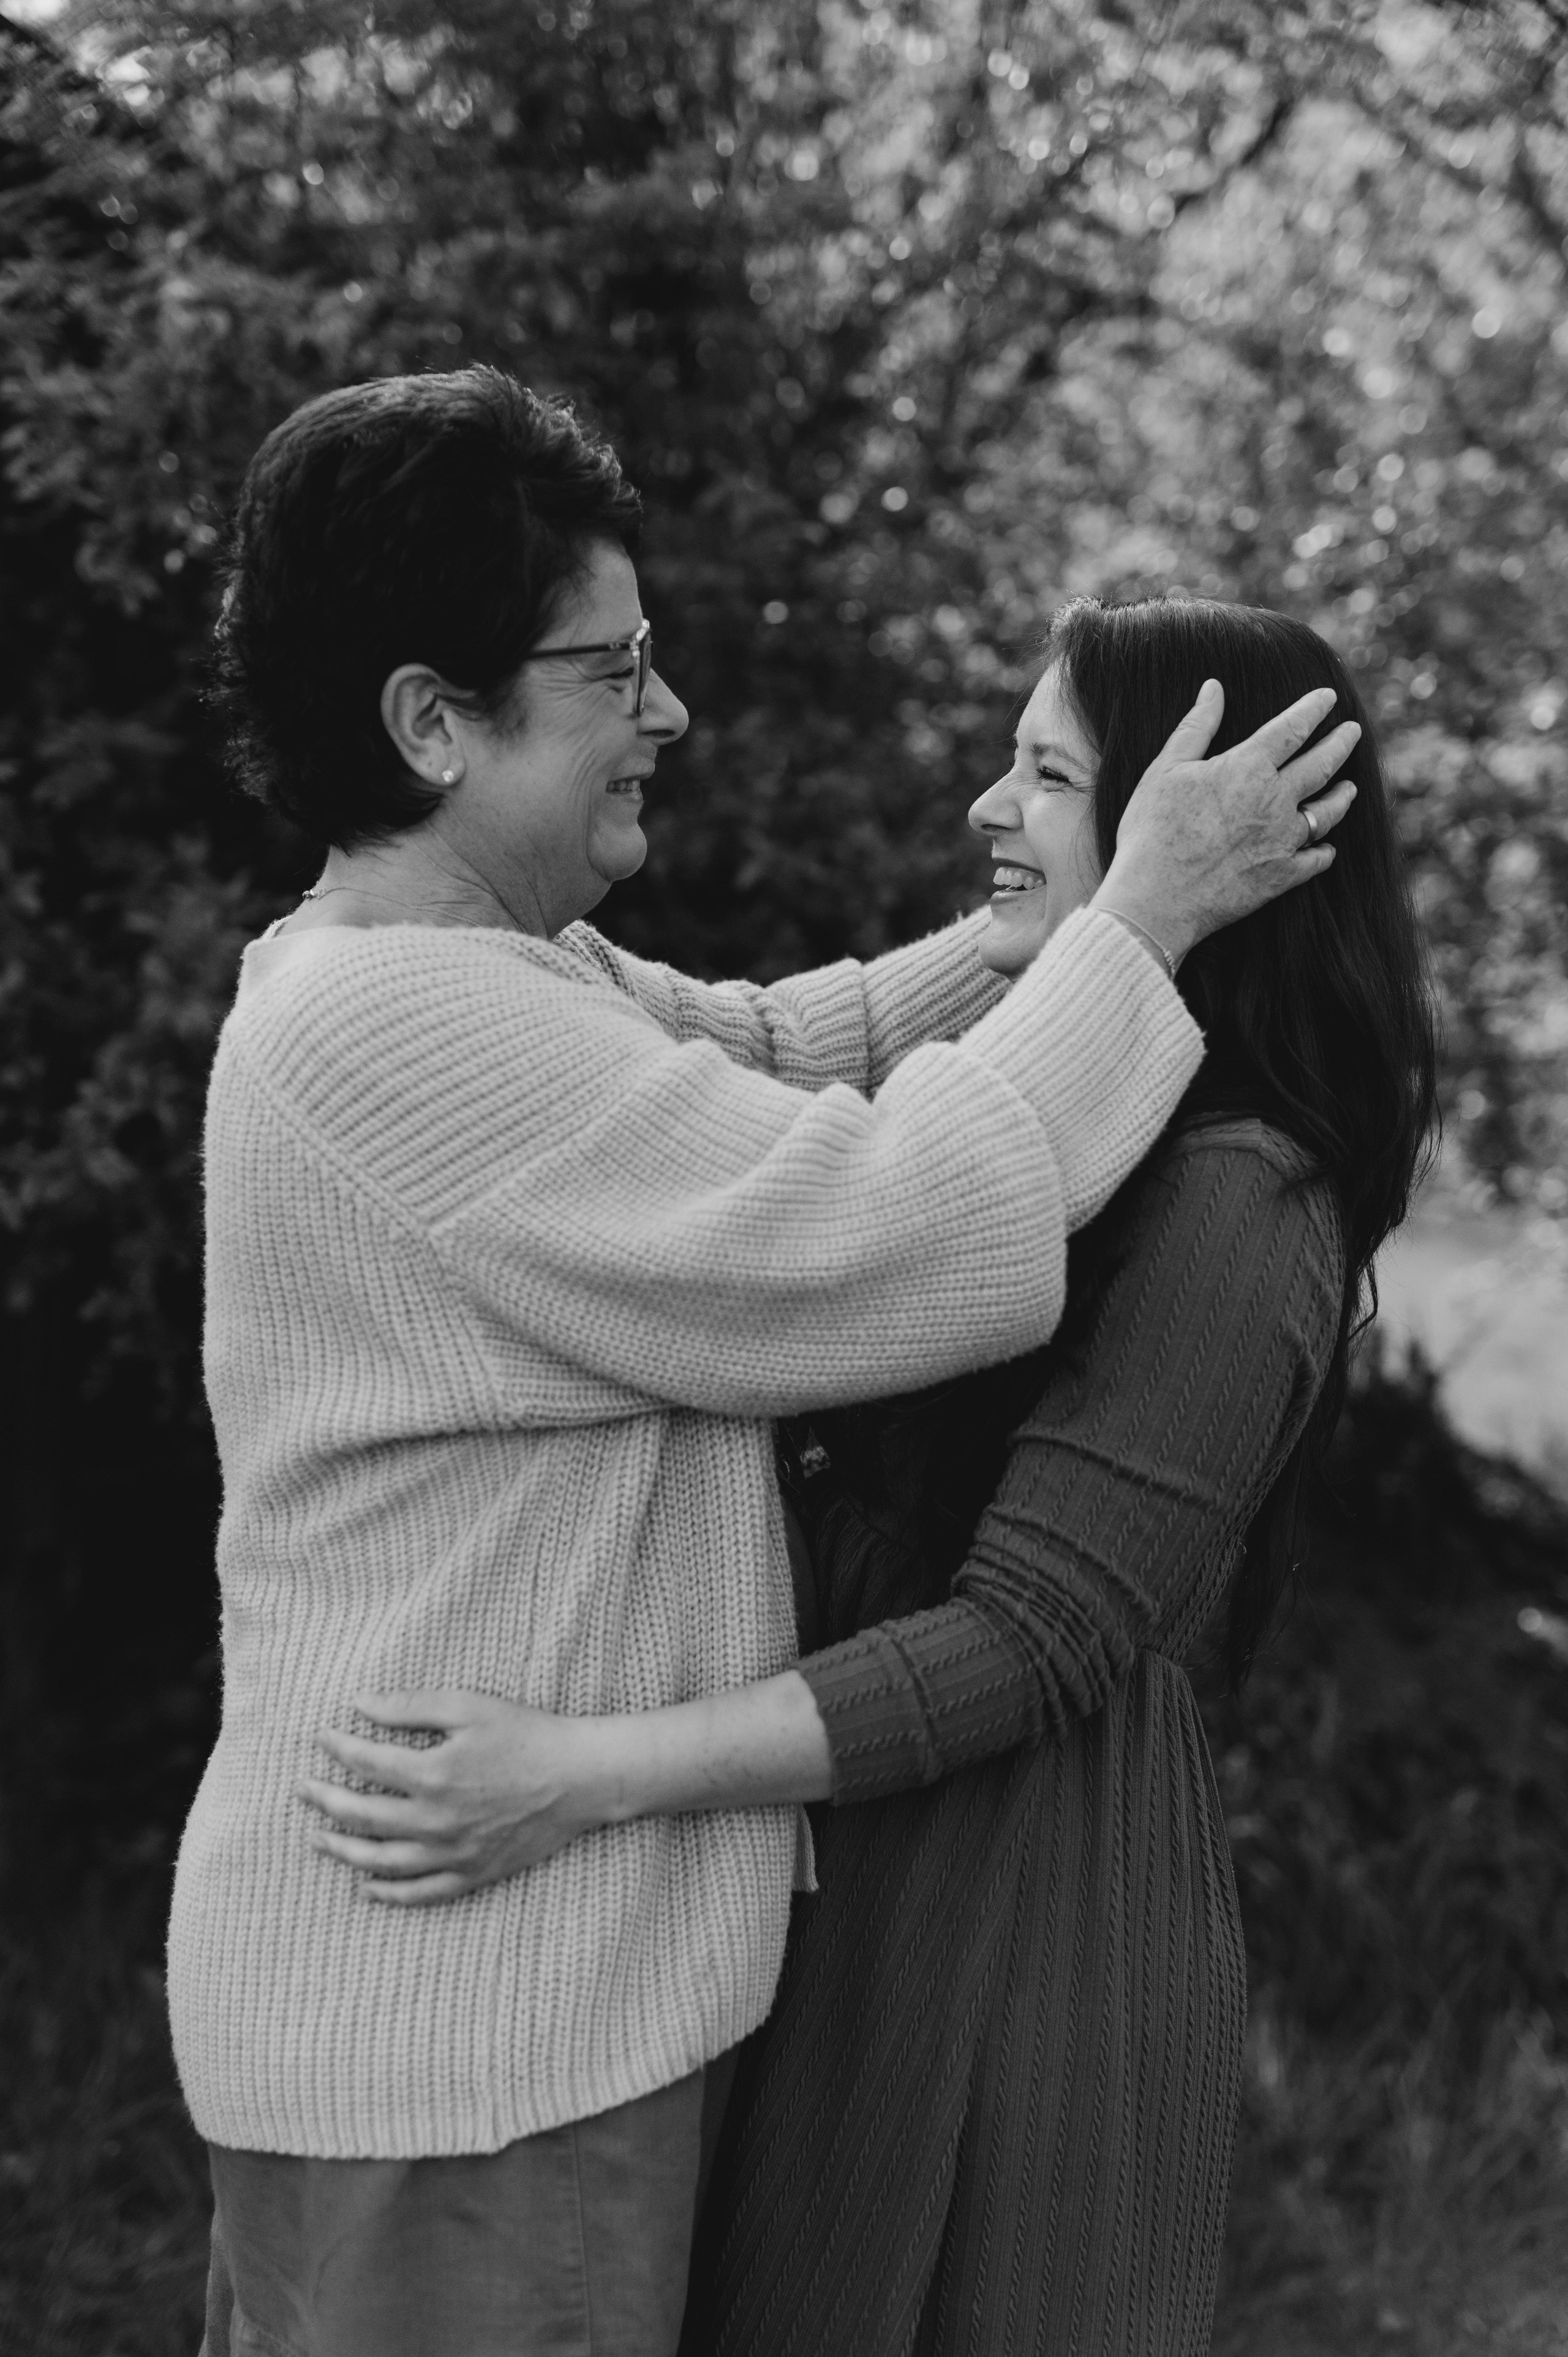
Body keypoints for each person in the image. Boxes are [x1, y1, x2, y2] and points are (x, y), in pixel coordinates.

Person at [174, 361, 1357, 2357]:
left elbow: (761, 1052)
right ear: (433, 723)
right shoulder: (400, 1026)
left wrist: (1023, 938)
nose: (671, 713)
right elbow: (893, 1219)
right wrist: (1128, 922)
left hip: (504, 1998)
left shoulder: (461, 968)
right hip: (474, 2034)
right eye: (614, 667)